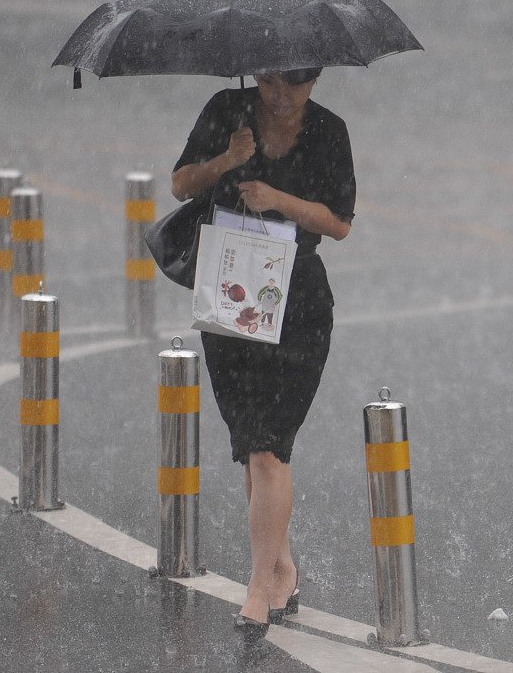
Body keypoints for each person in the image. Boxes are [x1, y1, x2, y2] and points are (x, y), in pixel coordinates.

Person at [170, 67, 355, 638]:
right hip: (230, 293)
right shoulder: (227, 108)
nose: (281, 95)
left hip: (298, 301)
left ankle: (258, 587)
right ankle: (281, 569)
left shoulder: (329, 131)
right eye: (273, 81)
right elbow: (181, 184)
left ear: (315, 80)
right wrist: (227, 159)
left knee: (271, 447)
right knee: (252, 447)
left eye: (296, 84)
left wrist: (278, 199)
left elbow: (339, 222)